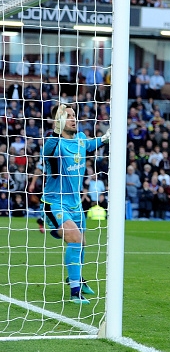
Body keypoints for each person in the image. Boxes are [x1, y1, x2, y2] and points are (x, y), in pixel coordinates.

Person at [41, 104, 110, 304]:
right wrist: (56, 127)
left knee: (82, 243)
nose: (73, 119)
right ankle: (74, 291)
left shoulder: (80, 139)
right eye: (68, 116)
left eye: (74, 115)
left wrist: (106, 137)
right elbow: (48, 150)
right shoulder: (54, 143)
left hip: (76, 204)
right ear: (59, 121)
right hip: (55, 203)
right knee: (75, 239)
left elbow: (91, 145)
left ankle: (78, 277)